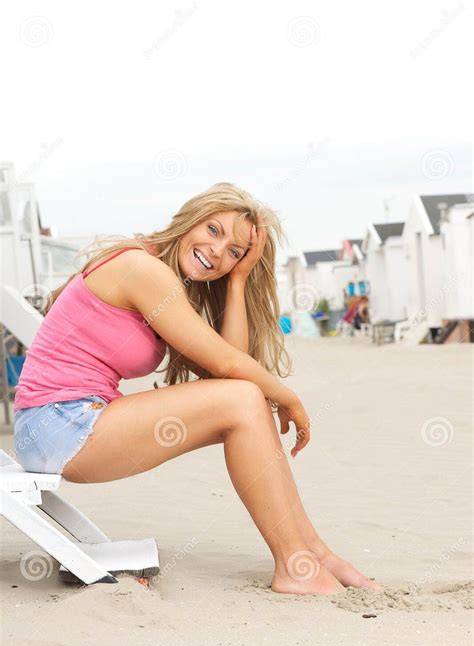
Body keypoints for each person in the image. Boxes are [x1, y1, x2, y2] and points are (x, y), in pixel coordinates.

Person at [13, 182, 382, 596]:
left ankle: (311, 552)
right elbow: (228, 367)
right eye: (213, 230)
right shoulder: (144, 269)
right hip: (60, 425)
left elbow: (228, 367)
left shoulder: (163, 276)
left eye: (236, 252)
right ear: (190, 219)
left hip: (62, 424)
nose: (218, 251)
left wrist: (238, 282)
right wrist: (289, 397)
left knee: (244, 401)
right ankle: (296, 564)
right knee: (244, 399)